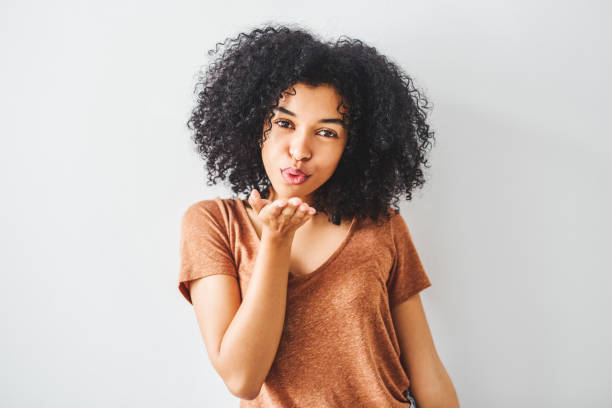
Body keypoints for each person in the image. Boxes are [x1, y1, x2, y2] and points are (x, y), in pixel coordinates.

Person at [178, 24, 459, 407]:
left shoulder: (381, 224)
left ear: (353, 147)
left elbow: (428, 374)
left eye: (326, 133)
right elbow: (243, 378)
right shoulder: (214, 223)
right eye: (284, 123)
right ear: (252, 124)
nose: (300, 150)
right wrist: (276, 242)